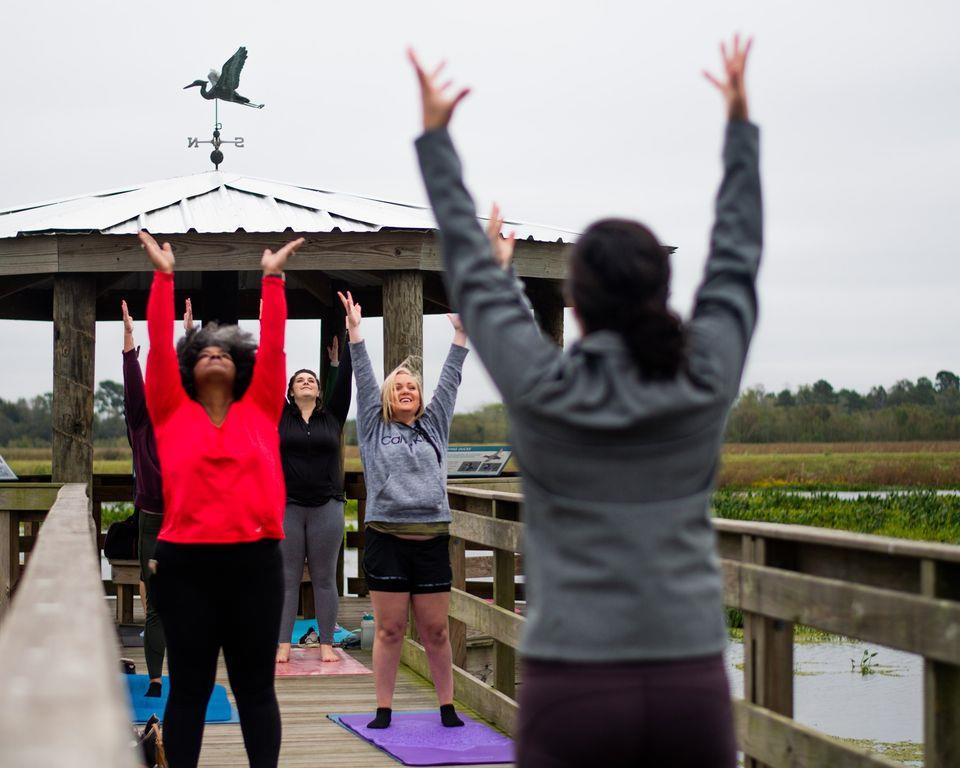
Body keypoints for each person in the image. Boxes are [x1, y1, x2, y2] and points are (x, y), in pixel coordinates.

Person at [408, 35, 759, 767]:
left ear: (575, 307)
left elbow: (471, 277)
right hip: (687, 678)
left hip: (571, 682)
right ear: (662, 293)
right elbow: (735, 258)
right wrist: (738, 128)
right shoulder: (701, 384)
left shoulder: (545, 388)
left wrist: (438, 141)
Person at [140, 229, 303, 768]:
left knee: (256, 689)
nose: (213, 353)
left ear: (240, 367)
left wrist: (273, 279)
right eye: (203, 351)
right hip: (185, 564)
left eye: (223, 351)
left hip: (255, 563)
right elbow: (159, 350)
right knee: (189, 689)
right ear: (189, 368)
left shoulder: (259, 407)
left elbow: (275, 345)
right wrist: (164, 278)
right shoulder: (169, 410)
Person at [338, 288, 468, 730]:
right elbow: (364, 378)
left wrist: (461, 337)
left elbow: (450, 380)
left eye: (412, 386)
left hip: (431, 539)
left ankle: (447, 705)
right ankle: (383, 709)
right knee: (390, 630)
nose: (407, 390)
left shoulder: (434, 426)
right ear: (390, 397)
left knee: (436, 632)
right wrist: (356, 333)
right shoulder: (375, 427)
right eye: (400, 387)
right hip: (386, 538)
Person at [121, 297, 190, 698]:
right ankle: (154, 677)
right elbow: (134, 386)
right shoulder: (141, 422)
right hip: (152, 521)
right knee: (157, 605)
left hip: (188, 521)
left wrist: (188, 337)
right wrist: (131, 344)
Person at [276, 334, 353, 664]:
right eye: (299, 380)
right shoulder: (280, 417)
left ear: (319, 391)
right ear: (291, 391)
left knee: (324, 579)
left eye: (311, 380)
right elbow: (268, 371)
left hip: (327, 506)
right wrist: (271, 330)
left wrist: (349, 341)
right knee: (287, 579)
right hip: (288, 506)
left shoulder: (331, 416)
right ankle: (282, 644)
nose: (306, 383)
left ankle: (325, 643)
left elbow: (347, 380)